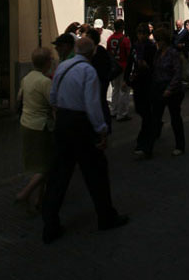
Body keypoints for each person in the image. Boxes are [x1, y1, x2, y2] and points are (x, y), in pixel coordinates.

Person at [42, 37, 129, 243]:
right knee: (96, 172)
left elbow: (53, 95)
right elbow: (92, 104)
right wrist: (101, 130)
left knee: (59, 174)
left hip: (63, 120)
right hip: (80, 123)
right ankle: (106, 216)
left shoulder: (63, 66)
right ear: (91, 53)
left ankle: (50, 224)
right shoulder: (88, 71)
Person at [16, 47, 54, 210]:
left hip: (26, 123)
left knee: (38, 163)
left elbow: (19, 99)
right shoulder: (45, 82)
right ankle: (25, 194)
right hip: (40, 126)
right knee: (48, 165)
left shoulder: (27, 78)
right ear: (47, 62)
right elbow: (55, 104)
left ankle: (39, 200)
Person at [148, 25, 185, 157]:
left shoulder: (172, 53)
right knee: (155, 117)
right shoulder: (158, 53)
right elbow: (155, 70)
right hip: (159, 88)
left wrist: (170, 89)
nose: (157, 43)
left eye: (159, 40)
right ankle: (148, 147)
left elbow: (177, 73)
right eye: (156, 40)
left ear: (165, 40)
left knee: (175, 117)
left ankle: (180, 145)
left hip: (173, 91)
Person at [124, 22, 157, 157]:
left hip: (148, 83)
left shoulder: (151, 47)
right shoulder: (135, 47)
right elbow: (130, 62)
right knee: (141, 110)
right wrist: (127, 79)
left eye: (143, 33)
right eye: (139, 33)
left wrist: (147, 66)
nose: (141, 35)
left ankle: (145, 144)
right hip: (138, 82)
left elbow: (154, 66)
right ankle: (149, 134)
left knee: (146, 114)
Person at [106, 19, 131, 121]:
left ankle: (114, 110)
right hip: (123, 67)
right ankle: (122, 113)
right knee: (124, 91)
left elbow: (108, 53)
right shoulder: (125, 39)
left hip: (114, 67)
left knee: (115, 89)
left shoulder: (110, 39)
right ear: (122, 27)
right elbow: (129, 55)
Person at [89, 27, 113, 133]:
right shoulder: (96, 50)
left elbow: (105, 65)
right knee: (101, 102)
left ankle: (105, 125)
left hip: (101, 80)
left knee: (101, 102)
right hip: (100, 80)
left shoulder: (99, 50)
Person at [173, 19, 189, 83]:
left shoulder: (185, 32)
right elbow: (172, 42)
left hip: (183, 52)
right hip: (176, 53)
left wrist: (183, 45)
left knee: (185, 67)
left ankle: (187, 80)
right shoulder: (174, 32)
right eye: (177, 25)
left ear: (181, 24)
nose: (178, 26)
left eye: (179, 25)